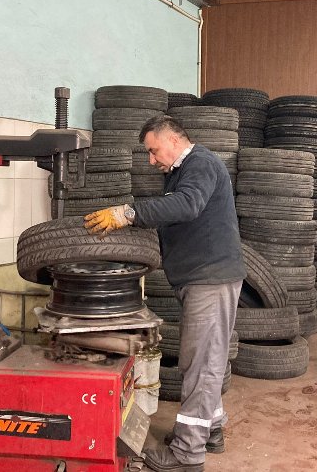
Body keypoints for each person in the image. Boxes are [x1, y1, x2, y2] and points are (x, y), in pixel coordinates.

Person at [84, 114, 246, 472]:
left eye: (153, 150)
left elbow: (187, 205)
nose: (150, 160)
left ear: (173, 140)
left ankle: (187, 454)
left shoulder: (200, 163)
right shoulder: (180, 171)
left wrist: (129, 213)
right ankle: (210, 430)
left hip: (210, 279)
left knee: (201, 363)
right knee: (205, 359)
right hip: (202, 277)